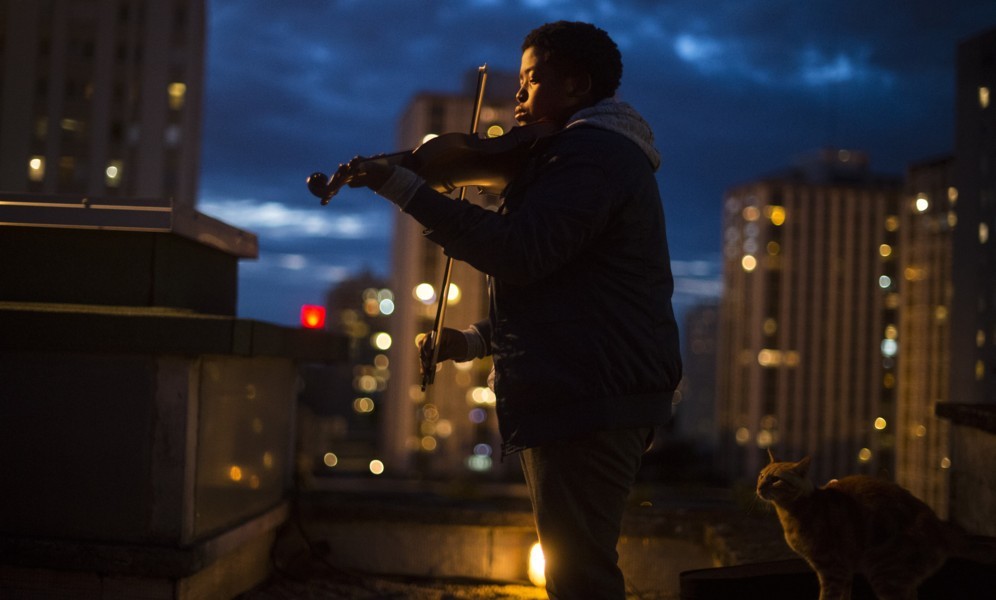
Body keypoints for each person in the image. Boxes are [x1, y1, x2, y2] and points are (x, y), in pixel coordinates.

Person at [347, 20, 682, 600]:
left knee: (580, 577)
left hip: (590, 397)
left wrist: (407, 190)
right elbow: (575, 292)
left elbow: (519, 252)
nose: (518, 98)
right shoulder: (579, 156)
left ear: (576, 86)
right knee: (574, 570)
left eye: (530, 81)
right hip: (587, 388)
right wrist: (475, 341)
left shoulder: (592, 157)